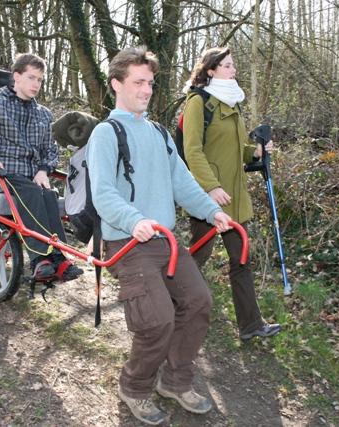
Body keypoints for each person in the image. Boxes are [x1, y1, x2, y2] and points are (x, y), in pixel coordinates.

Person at [86, 47, 234, 426]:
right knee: (157, 319)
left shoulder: (159, 132)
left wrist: (211, 211)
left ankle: (175, 381)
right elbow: (103, 193)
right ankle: (134, 387)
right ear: (117, 84)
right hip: (128, 243)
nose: (147, 89)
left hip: (165, 241)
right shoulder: (106, 132)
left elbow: (182, 182)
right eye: (139, 82)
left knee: (199, 301)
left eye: (150, 83)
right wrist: (134, 220)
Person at [182, 47, 282, 340]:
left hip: (236, 196)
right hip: (208, 197)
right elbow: (192, 150)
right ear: (211, 70)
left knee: (241, 259)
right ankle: (180, 309)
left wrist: (257, 151)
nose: (233, 69)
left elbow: (238, 148)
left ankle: (251, 324)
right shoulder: (198, 102)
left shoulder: (233, 101)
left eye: (233, 65)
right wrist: (211, 187)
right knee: (197, 257)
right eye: (227, 65)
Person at [0, 53, 84, 281]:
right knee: (32, 192)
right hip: (3, 173)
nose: (36, 84)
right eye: (31, 78)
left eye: (39, 80)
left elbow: (50, 151)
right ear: (16, 77)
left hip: (32, 176)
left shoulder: (43, 114)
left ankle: (58, 257)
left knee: (48, 194)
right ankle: (39, 260)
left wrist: (44, 169)